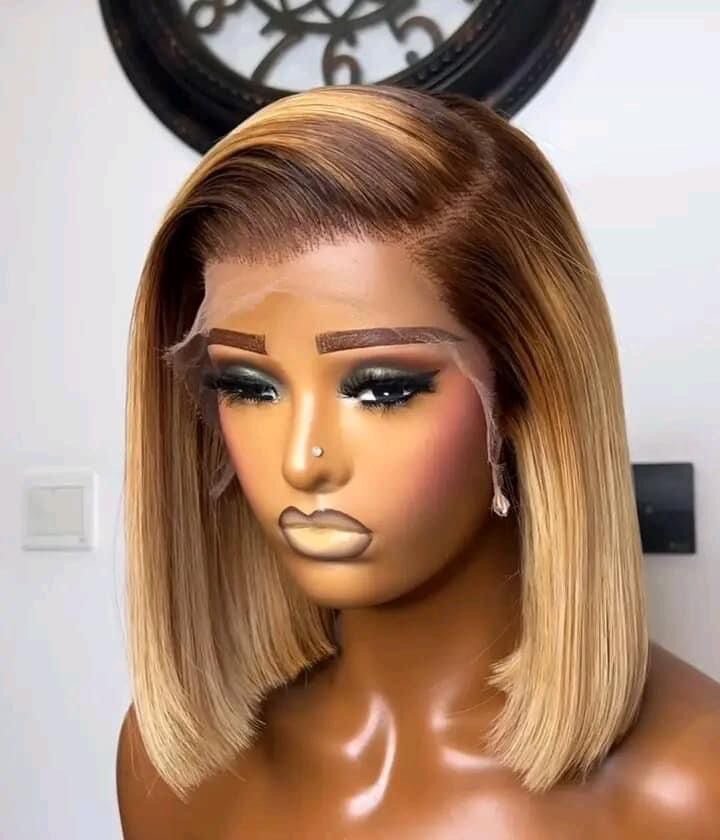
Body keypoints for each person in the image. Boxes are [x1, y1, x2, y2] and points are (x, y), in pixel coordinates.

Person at [116, 85, 720, 838]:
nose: (303, 461)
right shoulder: (177, 771)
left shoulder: (692, 790)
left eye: (381, 388)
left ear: (527, 392)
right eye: (248, 387)